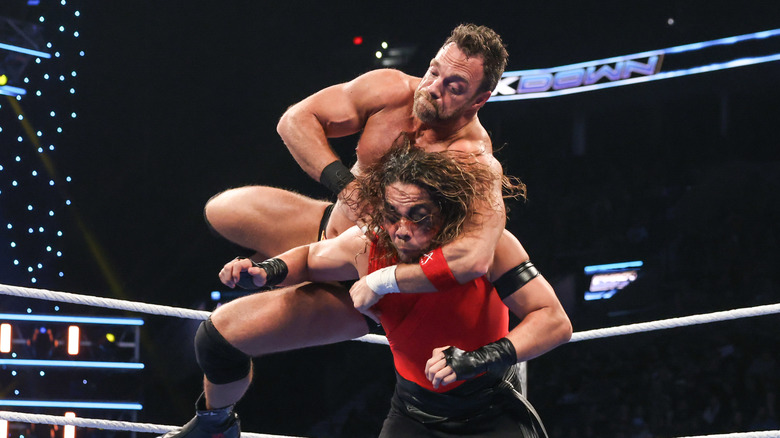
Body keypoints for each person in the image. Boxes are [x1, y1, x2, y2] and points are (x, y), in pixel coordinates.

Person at [163, 137, 572, 438]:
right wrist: (265, 271)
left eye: (418, 216)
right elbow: (309, 258)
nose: (403, 230)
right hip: (413, 411)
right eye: (394, 215)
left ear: (445, 211)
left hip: (489, 410)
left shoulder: (490, 248)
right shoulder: (370, 242)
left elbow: (554, 320)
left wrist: (483, 357)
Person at [204, 23, 511, 296]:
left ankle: (284, 273)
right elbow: (295, 120)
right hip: (325, 228)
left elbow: (473, 256)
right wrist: (347, 188)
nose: (432, 88)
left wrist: (385, 282)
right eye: (433, 71)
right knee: (221, 209)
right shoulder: (391, 89)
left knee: (218, 338)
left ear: (479, 100)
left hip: (359, 275)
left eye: (453, 87)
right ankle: (276, 267)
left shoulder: (473, 160)